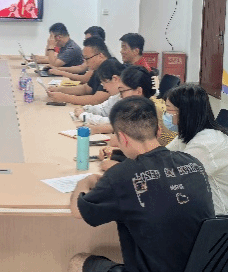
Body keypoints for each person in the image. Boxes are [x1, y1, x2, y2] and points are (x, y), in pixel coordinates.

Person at [68, 97, 214, 272]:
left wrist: (86, 182)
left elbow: (78, 211)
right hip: (204, 267)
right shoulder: (193, 162)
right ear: (158, 131)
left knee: (78, 261)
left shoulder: (121, 175)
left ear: (122, 138)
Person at [165, 84, 228, 215]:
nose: (166, 115)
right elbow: (165, 154)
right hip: (214, 204)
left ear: (184, 113)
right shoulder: (190, 133)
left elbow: (173, 179)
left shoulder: (205, 144)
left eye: (169, 110)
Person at [46, 36, 110, 106]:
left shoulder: (110, 68)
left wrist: (64, 98)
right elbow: (85, 89)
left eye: (87, 58)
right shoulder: (99, 68)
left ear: (100, 56)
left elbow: (96, 100)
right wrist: (59, 90)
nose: (85, 63)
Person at [72, 58, 125, 131]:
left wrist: (84, 116)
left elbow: (113, 122)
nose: (104, 87)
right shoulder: (116, 95)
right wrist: (86, 109)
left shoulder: (128, 97)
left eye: (104, 83)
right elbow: (103, 109)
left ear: (115, 79)